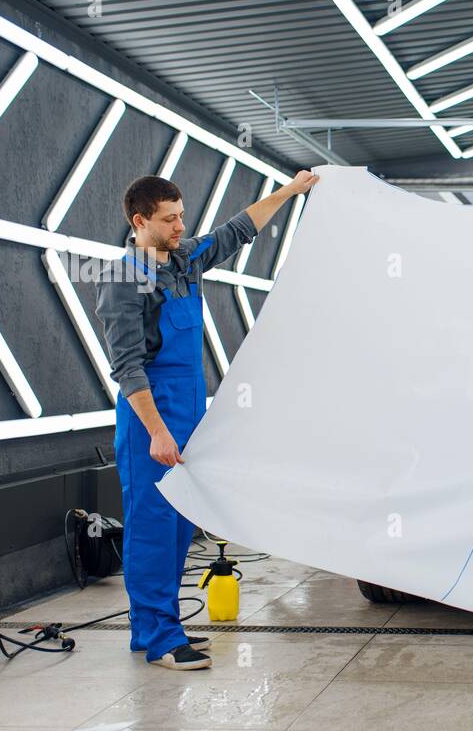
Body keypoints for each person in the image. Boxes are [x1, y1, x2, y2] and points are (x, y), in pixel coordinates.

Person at [95, 169, 319, 669]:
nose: (181, 227)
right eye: (169, 219)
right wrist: (157, 432)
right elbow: (128, 367)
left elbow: (238, 230)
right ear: (140, 221)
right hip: (150, 421)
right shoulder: (122, 282)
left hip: (190, 412)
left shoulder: (183, 262)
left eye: (182, 217)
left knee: (179, 528)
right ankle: (159, 640)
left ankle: (151, 628)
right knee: (152, 528)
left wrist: (290, 191)